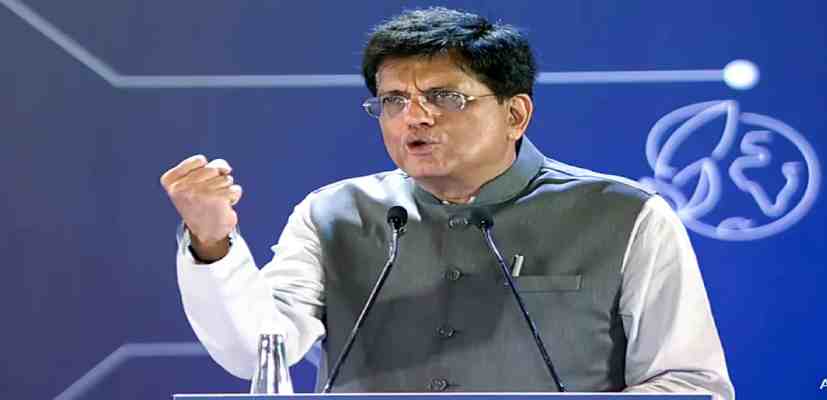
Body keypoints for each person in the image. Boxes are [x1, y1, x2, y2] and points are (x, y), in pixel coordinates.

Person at [161, 7, 734, 398]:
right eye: (393, 100)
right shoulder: (333, 213)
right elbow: (256, 352)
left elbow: (691, 384)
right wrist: (212, 242)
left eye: (444, 96)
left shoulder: (625, 215)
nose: (414, 117)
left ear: (515, 114)